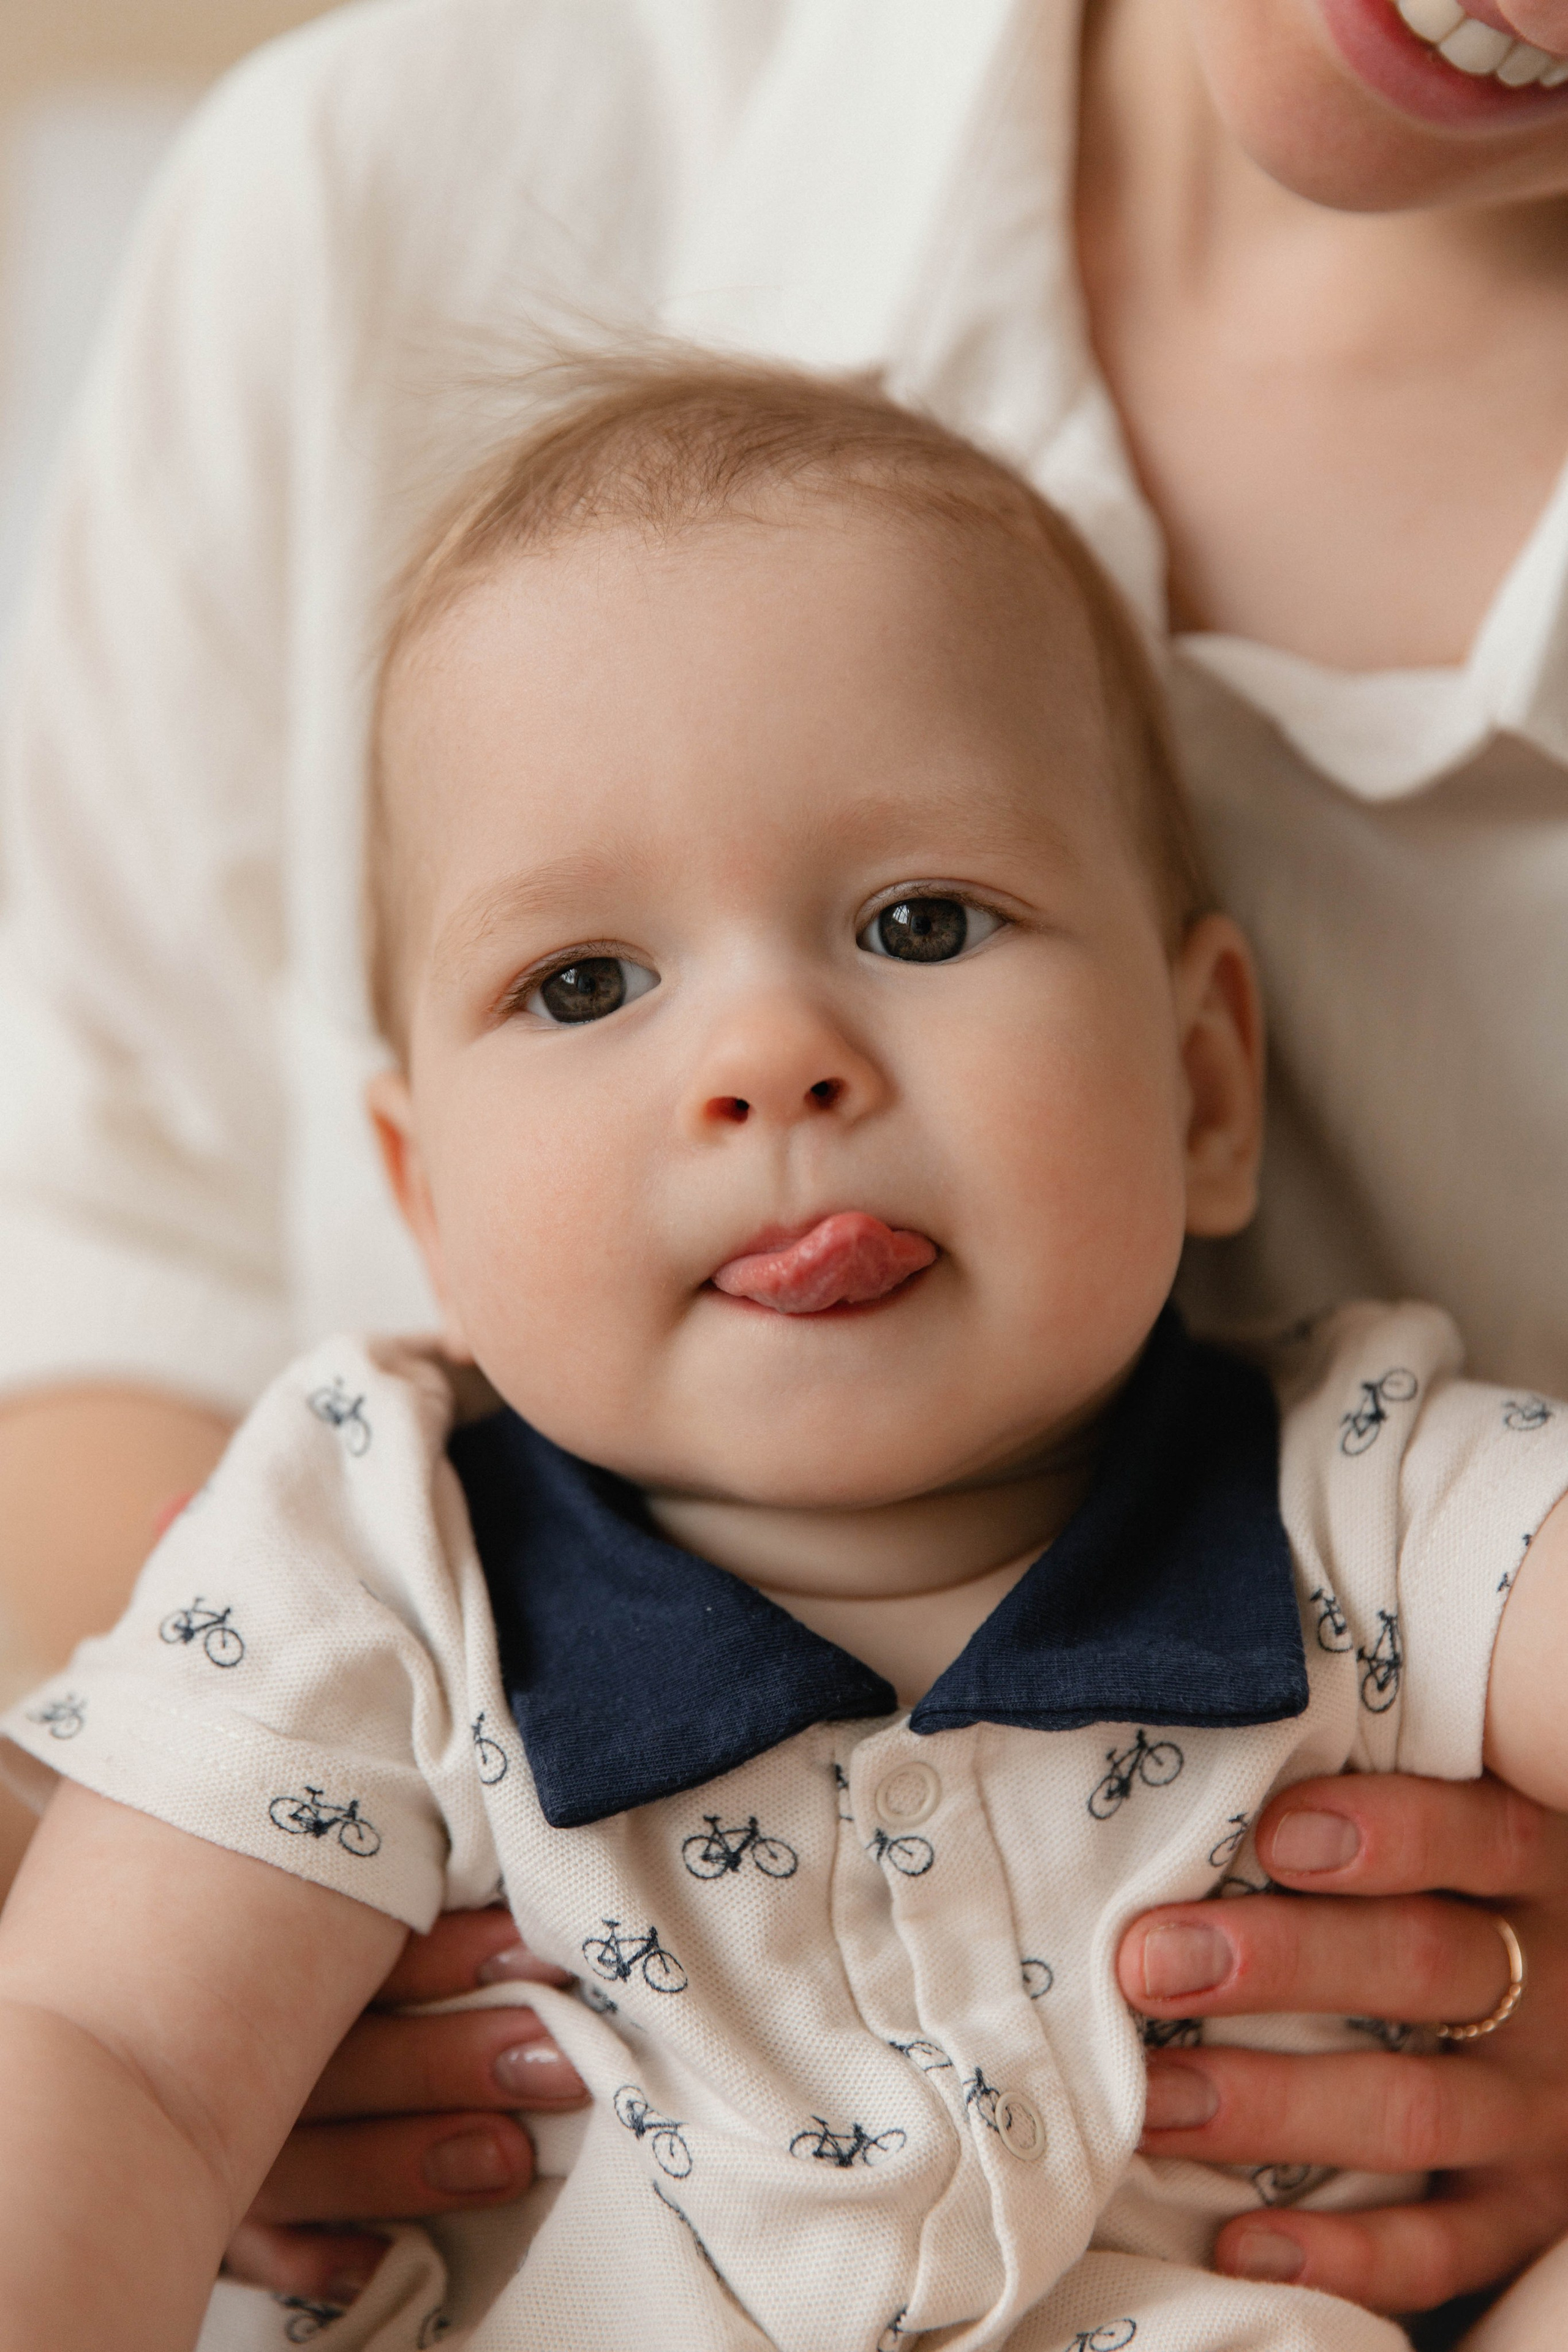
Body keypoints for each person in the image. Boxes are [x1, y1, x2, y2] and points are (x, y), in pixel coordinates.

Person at [6, 0, 1568, 2332]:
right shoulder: (371, 1549)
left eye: (920, 925)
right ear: (421, 1202)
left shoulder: (1366, 1492)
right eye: (584, 986)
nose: (770, 1065)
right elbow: (107, 2052)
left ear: (1205, 1078)